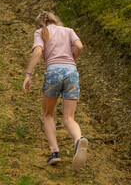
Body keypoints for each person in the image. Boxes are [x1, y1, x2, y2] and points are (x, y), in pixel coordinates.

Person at [22, 11, 88, 171]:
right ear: (55, 20)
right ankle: (78, 140)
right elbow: (79, 46)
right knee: (69, 117)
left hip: (53, 72)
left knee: (48, 114)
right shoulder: (68, 30)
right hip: (72, 72)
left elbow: (38, 51)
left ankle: (54, 152)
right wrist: (72, 59)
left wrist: (28, 75)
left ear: (39, 25)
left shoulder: (40, 32)